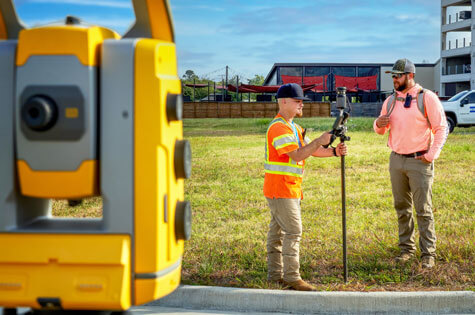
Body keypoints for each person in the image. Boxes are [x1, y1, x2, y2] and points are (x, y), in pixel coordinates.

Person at [264, 83, 347, 291]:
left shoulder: (295, 128)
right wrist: (320, 140)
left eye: (302, 101)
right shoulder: (278, 128)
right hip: (281, 189)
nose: (301, 105)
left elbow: (313, 150)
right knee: (293, 231)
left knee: (278, 233)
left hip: (287, 189)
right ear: (283, 102)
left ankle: (274, 276)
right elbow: (299, 154)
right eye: (297, 101)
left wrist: (334, 152)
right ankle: (292, 278)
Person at [374, 58, 448, 269]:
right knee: (402, 208)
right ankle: (407, 250)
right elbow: (380, 129)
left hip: (419, 161)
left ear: (410, 76)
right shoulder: (390, 101)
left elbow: (441, 128)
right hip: (396, 160)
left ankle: (428, 254)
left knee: (423, 209)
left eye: (398, 76)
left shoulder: (427, 98)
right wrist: (377, 124)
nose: (395, 79)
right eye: (393, 76)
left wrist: (431, 154)